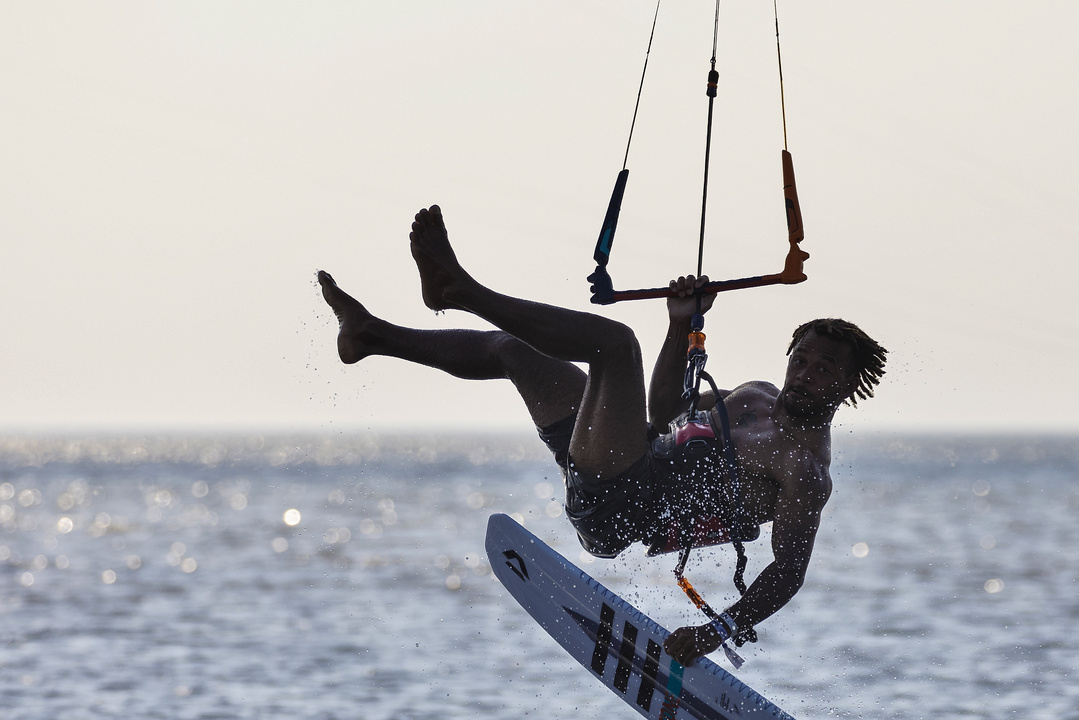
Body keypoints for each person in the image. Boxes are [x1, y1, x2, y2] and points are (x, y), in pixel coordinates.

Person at [318, 206, 885, 665]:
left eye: (824, 370)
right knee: (515, 353)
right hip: (620, 458)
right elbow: (664, 408)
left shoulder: (805, 472)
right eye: (802, 358)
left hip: (624, 505)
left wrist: (716, 633)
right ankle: (371, 335)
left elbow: (786, 574)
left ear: (847, 388)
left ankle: (457, 290)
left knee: (614, 347)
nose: (805, 374)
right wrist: (680, 323)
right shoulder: (755, 396)